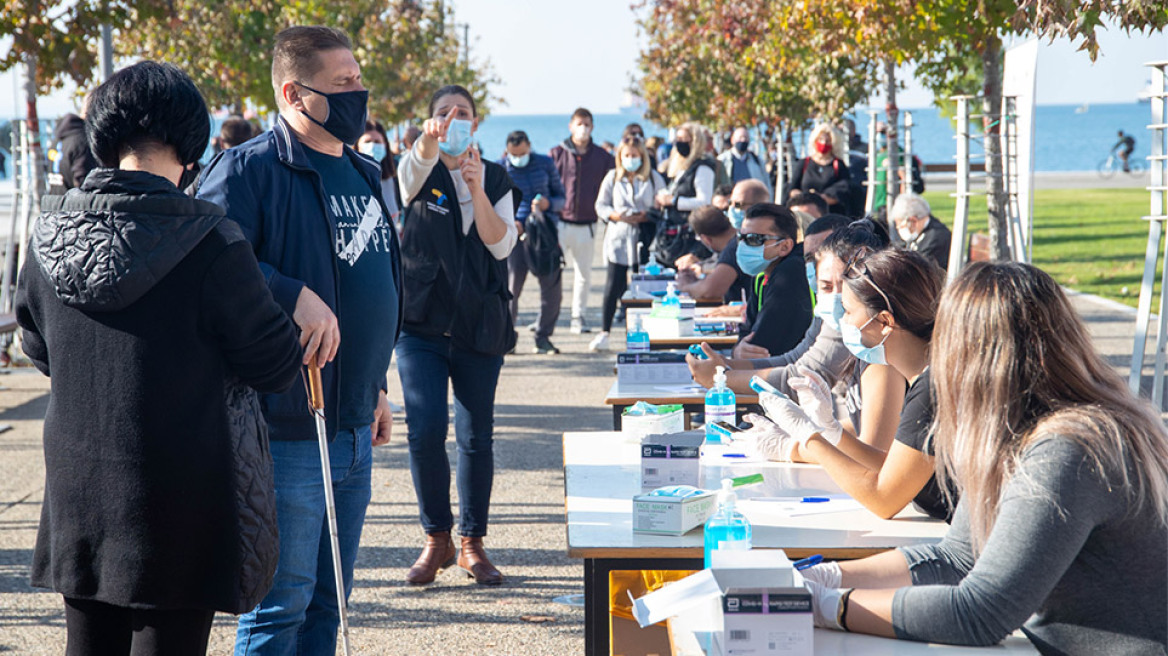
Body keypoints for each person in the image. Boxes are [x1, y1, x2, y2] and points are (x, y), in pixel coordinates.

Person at [16, 61, 303, 655]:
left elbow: (37, 347)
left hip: (78, 488)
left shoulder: (48, 235)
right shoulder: (212, 241)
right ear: (190, 144)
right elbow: (274, 364)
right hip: (181, 497)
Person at [798, 262, 1168, 654]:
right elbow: (956, 557)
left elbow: (982, 612)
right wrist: (822, 577)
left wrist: (826, 606)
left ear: (973, 355)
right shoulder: (1028, 427)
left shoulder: (1068, 449)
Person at [196, 26, 402, 654]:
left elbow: (372, 283)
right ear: (294, 92)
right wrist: (289, 293)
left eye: (359, 81)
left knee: (327, 604)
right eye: (343, 84)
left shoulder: (363, 171)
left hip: (353, 419)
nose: (358, 95)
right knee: (277, 609)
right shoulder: (249, 170)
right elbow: (205, 262)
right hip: (287, 425)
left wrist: (376, 386)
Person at [396, 84, 518, 587]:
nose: (452, 119)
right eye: (442, 113)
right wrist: (427, 146)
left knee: (475, 437)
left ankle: (471, 542)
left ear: (476, 122)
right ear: (430, 122)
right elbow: (408, 181)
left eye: (462, 113)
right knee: (424, 432)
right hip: (421, 325)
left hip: (478, 326)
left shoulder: (497, 176)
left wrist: (477, 187)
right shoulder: (417, 165)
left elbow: (501, 243)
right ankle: (435, 538)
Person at [745, 249, 952, 521]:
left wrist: (810, 437)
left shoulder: (931, 388)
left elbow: (883, 500)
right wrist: (831, 432)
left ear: (885, 322)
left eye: (849, 311)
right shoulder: (928, 376)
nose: (843, 322)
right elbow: (892, 466)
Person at [688, 213, 853, 393]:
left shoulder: (849, 308)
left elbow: (809, 378)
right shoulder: (828, 305)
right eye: (809, 258)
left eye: (754, 239)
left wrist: (722, 377)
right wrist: (725, 364)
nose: (818, 266)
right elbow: (796, 358)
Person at [590, 135, 666, 352]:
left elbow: (662, 201)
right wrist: (615, 215)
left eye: (635, 156)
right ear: (620, 157)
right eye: (627, 156)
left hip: (644, 236)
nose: (631, 159)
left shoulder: (652, 177)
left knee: (643, 286)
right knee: (613, 284)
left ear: (642, 157)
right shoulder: (612, 177)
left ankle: (644, 332)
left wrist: (647, 214)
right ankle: (605, 332)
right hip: (619, 236)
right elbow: (601, 205)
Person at [500, 130, 566, 354]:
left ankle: (543, 336)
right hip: (515, 236)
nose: (518, 158)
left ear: (529, 146)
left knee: (552, 291)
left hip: (544, 234)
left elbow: (561, 198)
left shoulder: (545, 164)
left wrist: (548, 204)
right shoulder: (501, 167)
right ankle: (508, 338)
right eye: (513, 154)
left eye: (522, 153)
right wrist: (512, 222)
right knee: (510, 289)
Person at [550, 107, 614, 334]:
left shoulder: (602, 157)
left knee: (583, 275)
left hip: (587, 224)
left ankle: (578, 316)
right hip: (560, 223)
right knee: (552, 273)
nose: (583, 128)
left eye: (587, 124)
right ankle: (548, 316)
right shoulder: (556, 154)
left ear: (593, 127)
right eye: (579, 123)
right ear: (571, 126)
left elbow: (613, 184)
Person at [734, 203, 813, 358]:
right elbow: (746, 333)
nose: (743, 245)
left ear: (785, 246)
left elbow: (761, 346)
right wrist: (738, 349)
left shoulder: (791, 272)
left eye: (754, 239)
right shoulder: (761, 275)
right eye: (741, 238)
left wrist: (740, 350)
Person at [652, 122, 716, 266]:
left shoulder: (703, 167)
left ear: (694, 141)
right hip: (671, 234)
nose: (679, 143)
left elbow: (704, 201)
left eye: (683, 139)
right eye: (677, 139)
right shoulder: (681, 167)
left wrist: (674, 201)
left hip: (689, 236)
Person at [784, 123, 850, 210]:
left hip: (830, 212)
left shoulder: (838, 165)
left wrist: (821, 199)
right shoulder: (804, 163)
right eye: (821, 139)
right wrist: (805, 198)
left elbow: (844, 190)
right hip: (805, 210)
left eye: (828, 141)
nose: (823, 143)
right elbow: (792, 188)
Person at [889, 193, 951, 269]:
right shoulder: (920, 233)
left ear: (913, 221)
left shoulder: (936, 238)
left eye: (901, 226)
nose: (898, 229)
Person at [357, 119, 402, 223]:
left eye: (377, 142)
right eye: (367, 142)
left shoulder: (392, 178)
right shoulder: (350, 178)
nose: (372, 146)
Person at [47, 106, 98, 194]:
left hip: (53, 203)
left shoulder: (56, 140)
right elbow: (83, 181)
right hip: (72, 204)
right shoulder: (82, 141)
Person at [717, 126, 773, 198]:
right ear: (732, 140)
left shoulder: (757, 161)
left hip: (753, 201)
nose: (743, 140)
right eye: (740, 137)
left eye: (746, 138)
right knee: (738, 207)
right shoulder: (722, 160)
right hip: (733, 200)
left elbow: (766, 183)